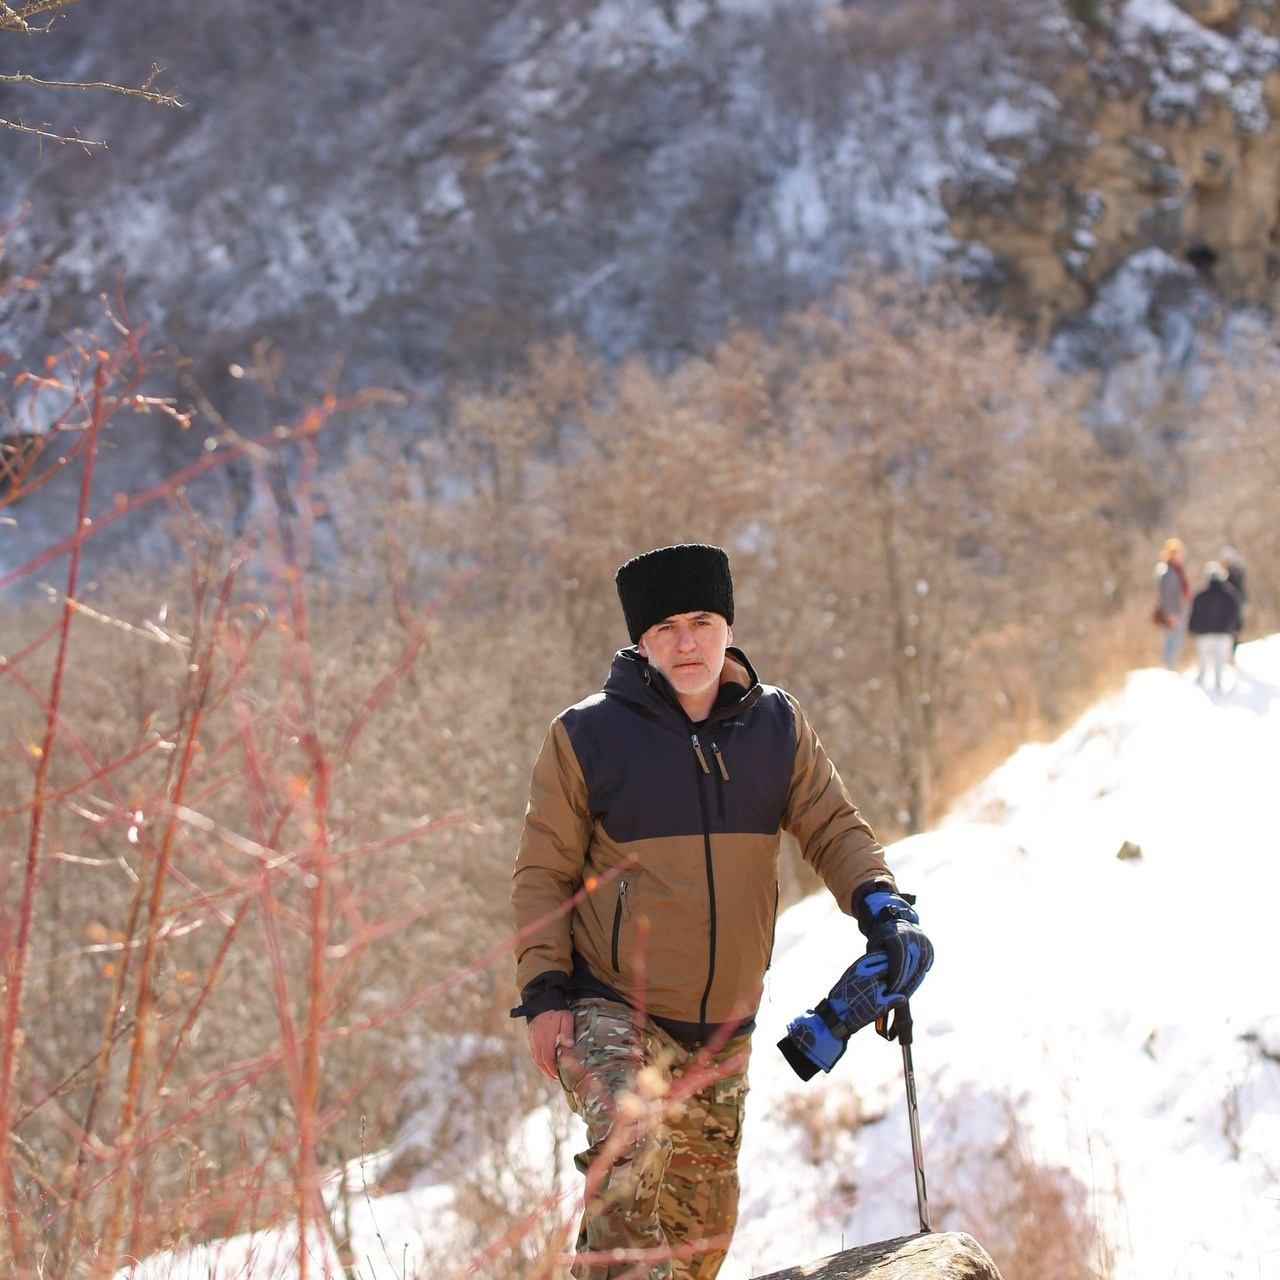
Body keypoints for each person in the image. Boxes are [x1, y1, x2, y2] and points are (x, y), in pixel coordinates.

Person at [510, 543, 931, 1280]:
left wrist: (882, 905)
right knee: (628, 1142)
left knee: (696, 1244)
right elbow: (542, 875)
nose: (687, 641)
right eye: (666, 627)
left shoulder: (777, 727)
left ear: (728, 627)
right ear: (640, 641)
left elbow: (832, 827)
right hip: (613, 1005)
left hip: (721, 1032)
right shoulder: (585, 736)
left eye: (702, 620)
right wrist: (544, 995)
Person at [1188, 561, 1244, 692]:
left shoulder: (1200, 594)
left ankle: (1201, 686)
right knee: (1220, 661)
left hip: (1204, 633)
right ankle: (1217, 684)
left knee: (1202, 660)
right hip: (1224, 633)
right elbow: (1236, 613)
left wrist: (1192, 628)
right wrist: (1237, 628)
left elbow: (1194, 614)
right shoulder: (1230, 593)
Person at [1154, 538, 1191, 669]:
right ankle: (1168, 665)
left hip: (1179, 610)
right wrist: (1170, 614)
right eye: (1178, 553)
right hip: (1173, 612)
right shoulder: (1167, 571)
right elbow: (1165, 595)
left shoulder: (1177, 570)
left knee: (1176, 638)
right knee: (1172, 639)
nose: (1181, 556)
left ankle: (1170, 664)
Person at [1220, 546, 1248, 658]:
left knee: (1234, 629)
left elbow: (1236, 590)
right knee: (1233, 629)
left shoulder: (1234, 573)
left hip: (1234, 604)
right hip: (1234, 604)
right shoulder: (1234, 572)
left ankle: (1231, 654)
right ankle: (1230, 653)